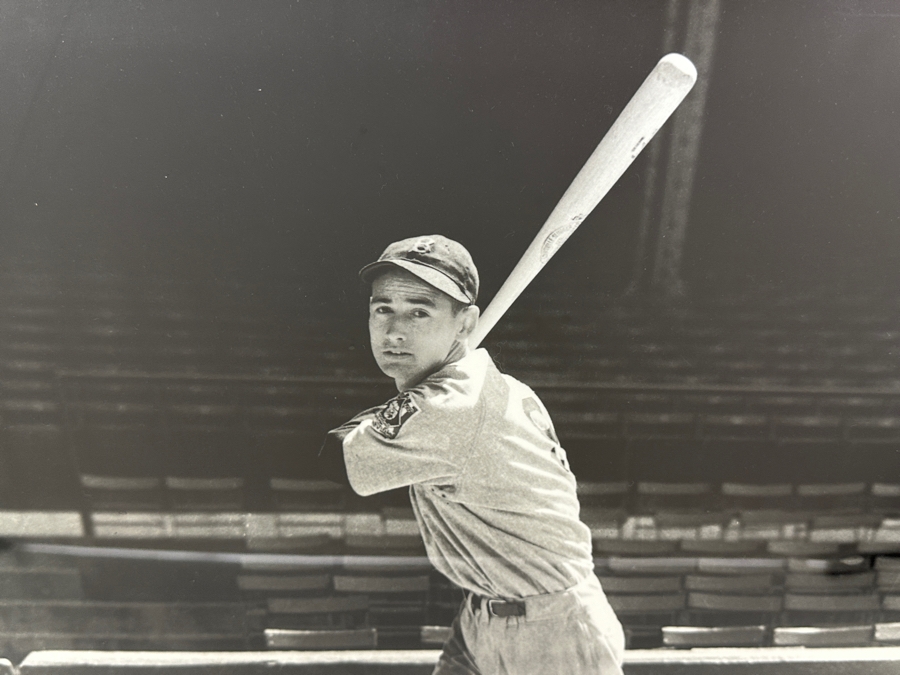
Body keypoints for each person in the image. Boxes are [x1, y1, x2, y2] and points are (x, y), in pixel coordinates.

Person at [320, 235, 625, 674]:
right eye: (382, 308)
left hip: (551, 634)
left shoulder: (455, 405)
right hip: (487, 612)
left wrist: (396, 407)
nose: (394, 331)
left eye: (419, 312)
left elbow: (333, 460)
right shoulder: (494, 387)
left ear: (465, 324)